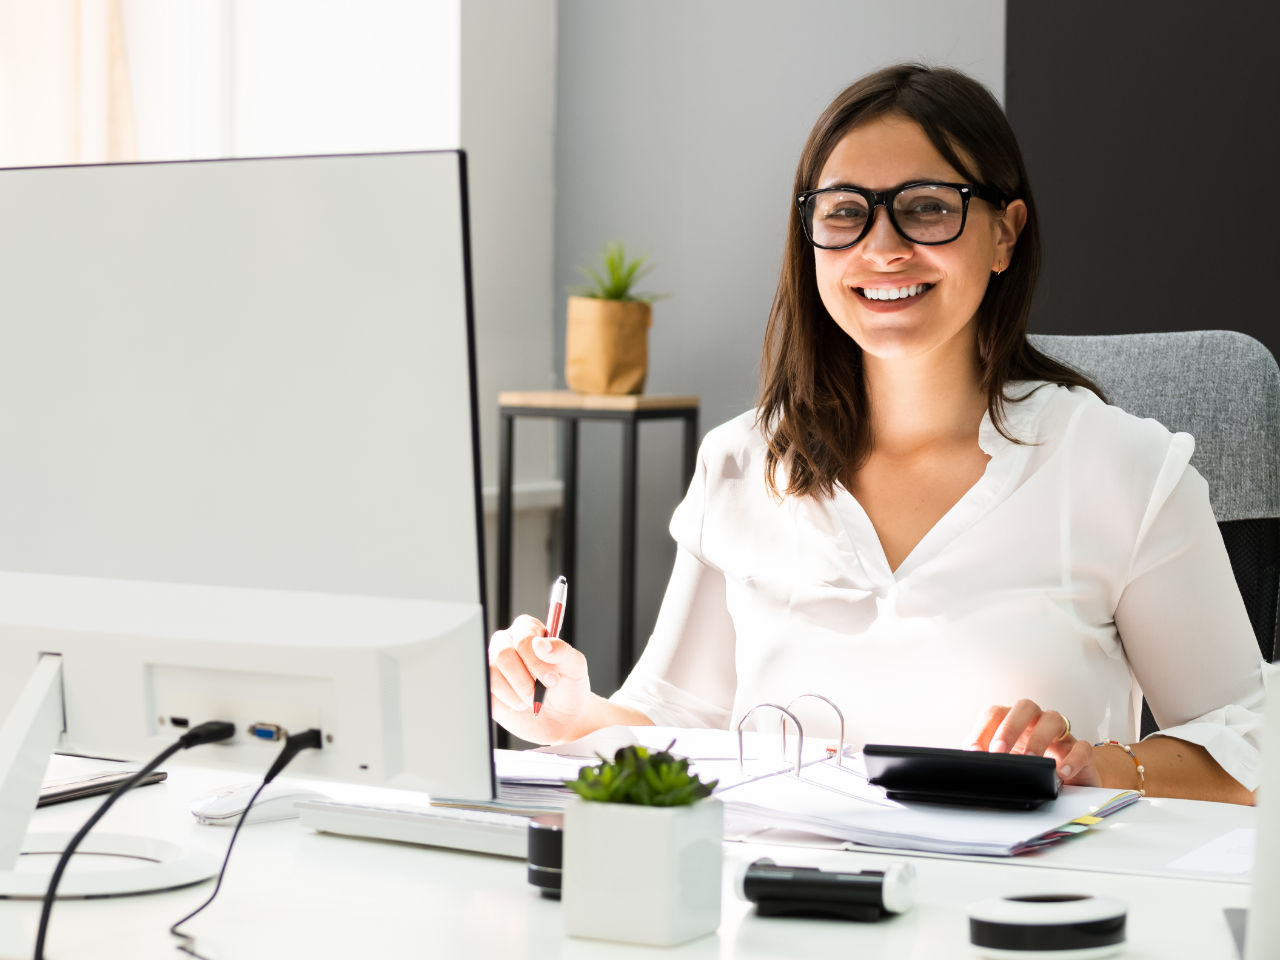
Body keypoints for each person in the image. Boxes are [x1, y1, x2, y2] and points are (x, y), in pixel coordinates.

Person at [488, 63, 1269, 804]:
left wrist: (1092, 765)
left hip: (1016, 922)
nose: (882, 247)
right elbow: (679, 721)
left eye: (928, 206)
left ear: (1006, 233)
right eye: (844, 212)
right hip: (780, 909)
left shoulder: (1120, 466)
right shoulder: (740, 461)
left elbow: (1251, 743)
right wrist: (572, 715)